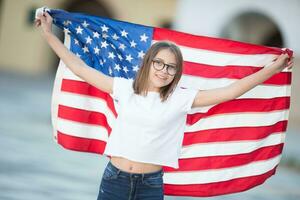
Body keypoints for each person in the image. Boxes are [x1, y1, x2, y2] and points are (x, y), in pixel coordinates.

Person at [35, 11, 294, 200]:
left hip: (151, 186)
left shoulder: (181, 99)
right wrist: (48, 34)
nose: (163, 70)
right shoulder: (124, 88)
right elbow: (79, 67)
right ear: (148, 63)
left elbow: (231, 91)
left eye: (171, 66)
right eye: (158, 63)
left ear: (176, 72)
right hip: (115, 180)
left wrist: (273, 69)